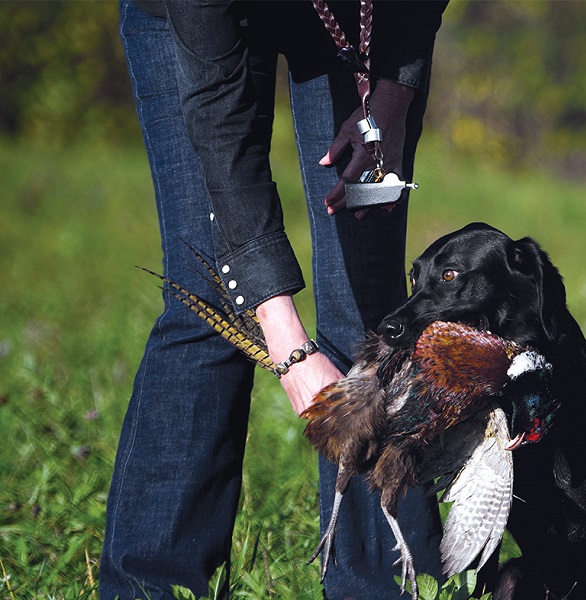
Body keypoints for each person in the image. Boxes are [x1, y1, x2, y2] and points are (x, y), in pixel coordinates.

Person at [100, 1, 448, 598]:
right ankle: (152, 584)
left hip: (353, 19)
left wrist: (391, 100)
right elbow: (221, 129)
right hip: (192, 22)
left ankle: (387, 584)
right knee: (209, 300)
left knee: (367, 304)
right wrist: (288, 348)